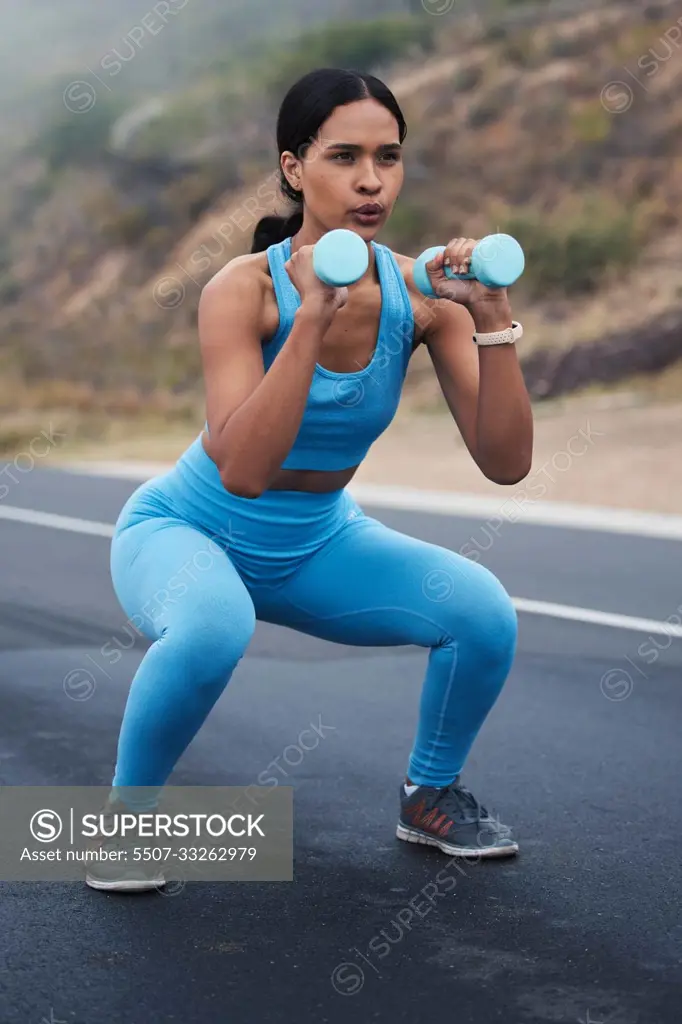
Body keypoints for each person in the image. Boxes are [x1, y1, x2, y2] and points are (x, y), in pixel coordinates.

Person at [85, 67, 533, 892]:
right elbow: (246, 471)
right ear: (294, 168)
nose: (370, 180)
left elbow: (506, 464)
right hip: (186, 531)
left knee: (482, 613)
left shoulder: (419, 296)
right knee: (215, 626)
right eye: (344, 157)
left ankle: (428, 796)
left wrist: (493, 321)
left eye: (389, 158)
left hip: (317, 538)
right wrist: (309, 325)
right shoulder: (243, 290)